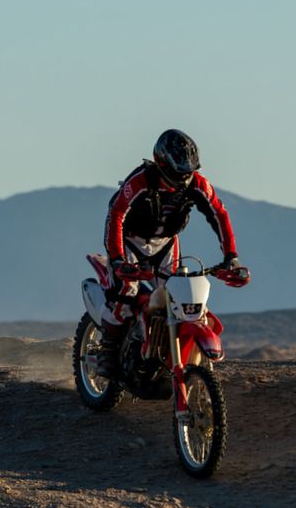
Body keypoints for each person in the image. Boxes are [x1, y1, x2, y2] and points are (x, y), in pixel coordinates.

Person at [98, 129, 242, 378]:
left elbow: (219, 214)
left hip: (165, 243)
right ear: (162, 163)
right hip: (129, 240)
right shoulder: (141, 181)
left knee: (176, 297)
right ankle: (107, 351)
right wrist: (118, 259)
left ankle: (163, 352)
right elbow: (117, 213)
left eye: (190, 170)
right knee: (126, 293)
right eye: (179, 172)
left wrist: (232, 257)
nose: (185, 177)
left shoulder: (198, 183)